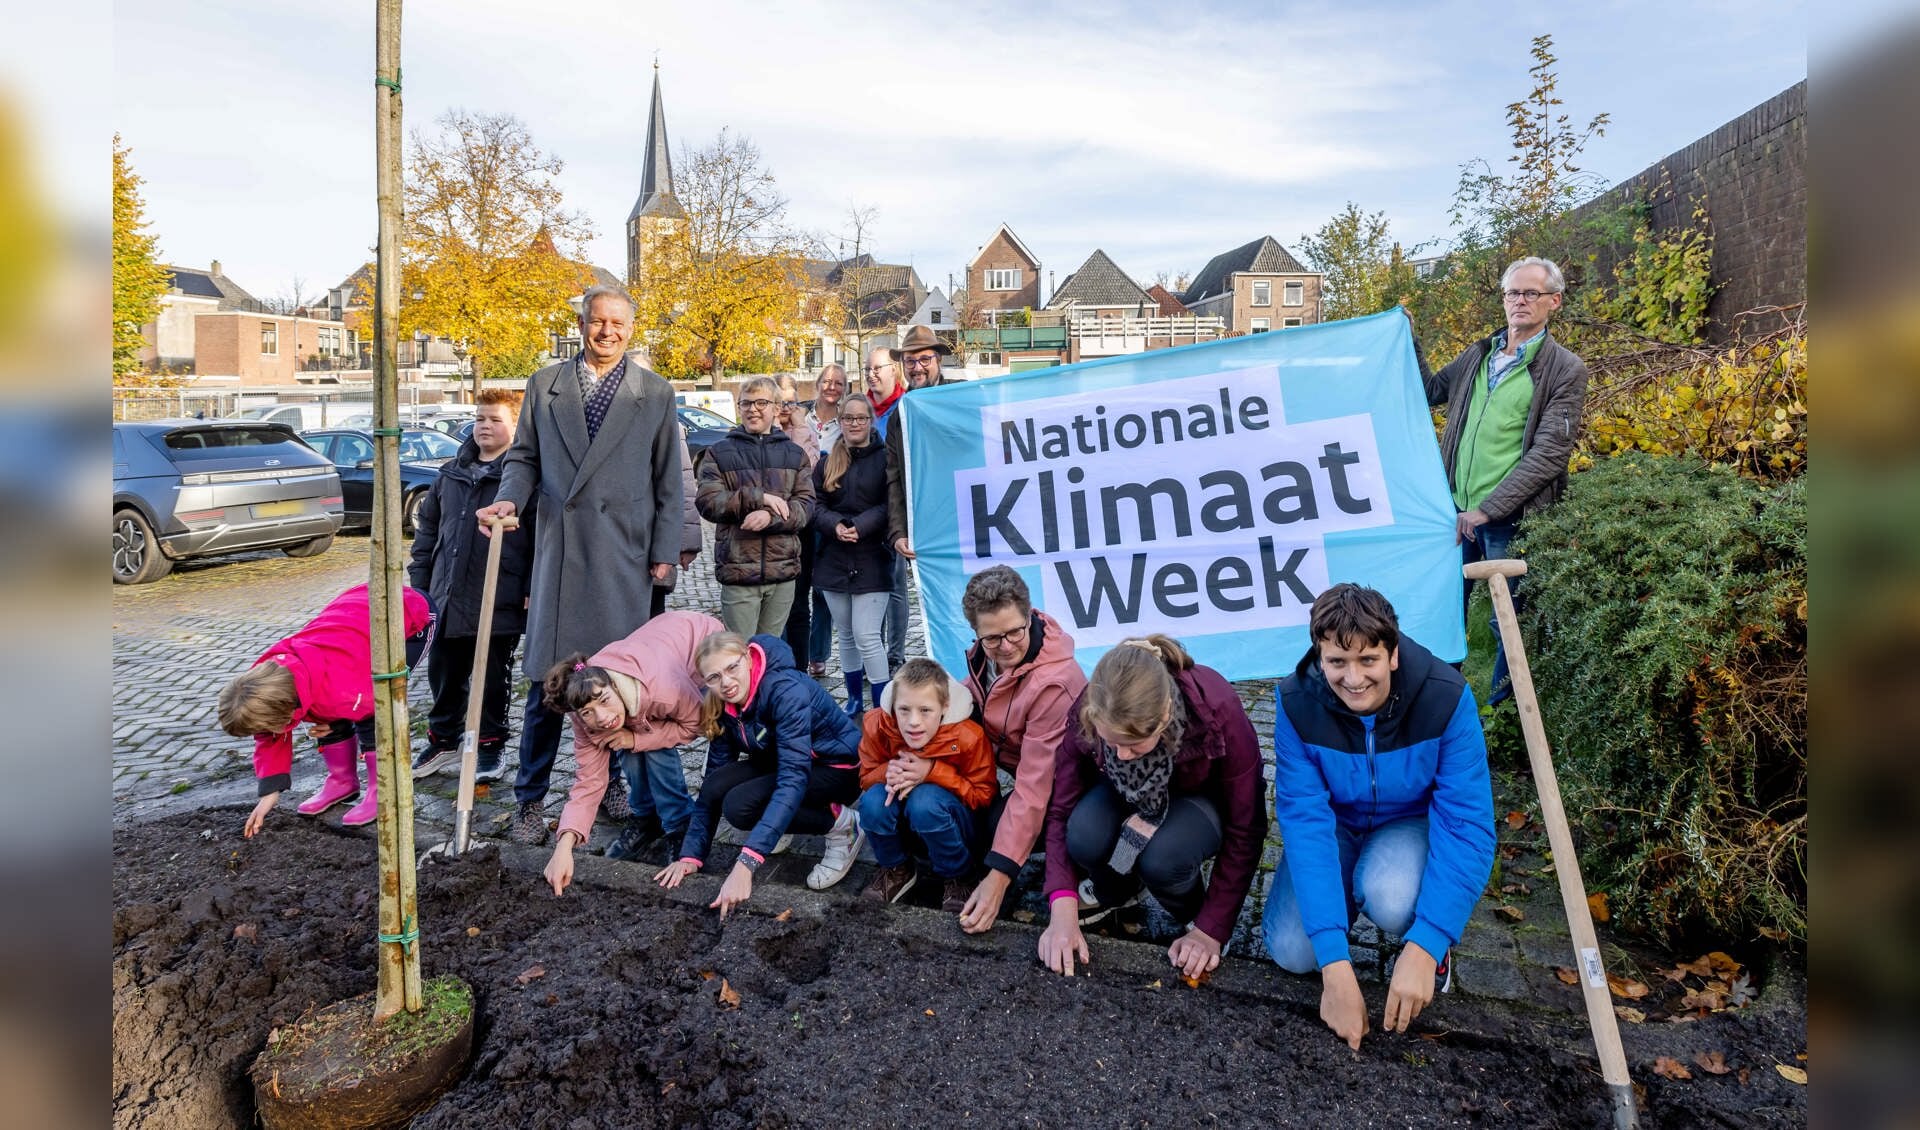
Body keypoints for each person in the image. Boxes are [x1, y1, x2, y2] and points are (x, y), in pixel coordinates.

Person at [475, 284, 684, 846]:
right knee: (550, 685)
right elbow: (523, 458)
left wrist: (665, 550)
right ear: (582, 322)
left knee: (614, 683)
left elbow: (670, 480)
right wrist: (510, 501)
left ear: (632, 328)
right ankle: (530, 800)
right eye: (598, 322)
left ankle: (614, 781)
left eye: (618, 323)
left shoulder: (656, 394)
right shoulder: (546, 386)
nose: (607, 332)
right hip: (563, 555)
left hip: (622, 554)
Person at [1261, 583, 1496, 1051]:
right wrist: (1335, 966)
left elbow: (1467, 825)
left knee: (1390, 895)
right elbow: (1306, 826)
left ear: (1392, 654)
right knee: (1291, 950)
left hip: (1407, 824)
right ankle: (1339, 912)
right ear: (1319, 655)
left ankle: (1434, 948)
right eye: (1337, 662)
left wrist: (1427, 944)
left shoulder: (1446, 698)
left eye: (1367, 660)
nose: (1352, 678)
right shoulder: (1294, 704)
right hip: (1337, 826)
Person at [1037, 635, 1266, 981]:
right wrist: (1062, 900)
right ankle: (1118, 891)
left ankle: (1195, 912)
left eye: (1133, 745)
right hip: (1123, 795)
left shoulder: (1217, 706)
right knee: (1083, 832)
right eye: (1109, 743)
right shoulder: (1091, 707)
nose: (1121, 755)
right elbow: (1060, 809)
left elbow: (1246, 826)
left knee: (1163, 858)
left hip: (1198, 800)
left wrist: (1211, 929)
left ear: (1164, 715)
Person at [1418, 256, 1589, 703]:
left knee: (1507, 619)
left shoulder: (1564, 369)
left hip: (1508, 518)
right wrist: (1407, 338)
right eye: (1513, 293)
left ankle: (1502, 717)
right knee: (1442, 610)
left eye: (1531, 293)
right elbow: (1429, 391)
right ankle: (1438, 704)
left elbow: (1551, 452)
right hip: (1455, 511)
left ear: (1554, 301)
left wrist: (1489, 509)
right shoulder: (1479, 354)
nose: (1519, 302)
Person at [655, 632, 866, 912]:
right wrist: (690, 856)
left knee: (742, 807)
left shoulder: (784, 691)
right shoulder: (721, 703)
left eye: (732, 668)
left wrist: (747, 864)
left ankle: (844, 826)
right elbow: (714, 781)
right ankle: (784, 824)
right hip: (785, 759)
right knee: (724, 791)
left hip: (837, 769)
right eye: (714, 677)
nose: (726, 683)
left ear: (747, 658)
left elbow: (793, 779)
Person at [218, 584, 434, 838]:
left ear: (283, 711)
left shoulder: (339, 686)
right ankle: (343, 781)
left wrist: (337, 719)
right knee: (327, 710)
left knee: (374, 708)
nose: (266, 732)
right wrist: (269, 793)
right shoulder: (267, 682)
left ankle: (384, 790)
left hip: (407, 614)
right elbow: (270, 735)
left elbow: (374, 710)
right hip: (355, 620)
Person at [539, 610, 724, 896]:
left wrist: (636, 739)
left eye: (604, 701)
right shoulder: (584, 707)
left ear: (614, 686)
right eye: (589, 712)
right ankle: (646, 817)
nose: (600, 717)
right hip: (651, 654)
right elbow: (589, 782)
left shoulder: (665, 688)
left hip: (696, 641)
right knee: (618, 737)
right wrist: (563, 848)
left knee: (650, 743)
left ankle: (679, 825)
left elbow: (697, 725)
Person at [955, 565, 1088, 934]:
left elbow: (1035, 787)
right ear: (976, 633)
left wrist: (997, 880)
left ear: (1030, 615)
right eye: (993, 638)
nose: (1007, 646)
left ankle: (1109, 877)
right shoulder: (986, 655)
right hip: (1026, 776)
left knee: (1000, 825)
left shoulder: (1054, 683)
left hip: (1074, 792)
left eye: (1016, 631)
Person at [407, 388, 531, 783]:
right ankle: (444, 740)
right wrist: (421, 585)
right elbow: (428, 532)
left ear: (515, 426)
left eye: (495, 419)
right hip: (447, 593)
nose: (484, 427)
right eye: (479, 419)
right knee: (444, 671)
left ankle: (490, 746)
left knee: (494, 675)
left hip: (498, 592)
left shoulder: (521, 480)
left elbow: (537, 539)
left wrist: (528, 586)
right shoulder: (450, 474)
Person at [856, 658, 995, 913]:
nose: (913, 722)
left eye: (925, 710)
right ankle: (897, 868)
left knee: (925, 801)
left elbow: (984, 796)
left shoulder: (968, 735)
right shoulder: (877, 724)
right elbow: (865, 778)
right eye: (904, 710)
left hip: (956, 827)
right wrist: (889, 771)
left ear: (944, 707)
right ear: (893, 706)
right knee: (872, 802)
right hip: (907, 823)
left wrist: (932, 772)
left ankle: (959, 875)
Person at [694, 375, 816, 638]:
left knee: (769, 654)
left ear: (776, 407)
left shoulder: (794, 454)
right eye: (746, 403)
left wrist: (768, 517)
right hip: (739, 571)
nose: (753, 409)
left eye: (761, 402)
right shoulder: (719, 452)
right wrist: (756, 498)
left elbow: (805, 507)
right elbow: (707, 501)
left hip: (781, 571)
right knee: (740, 655)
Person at [809, 394, 892, 717]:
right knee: (844, 633)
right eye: (848, 418)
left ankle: (883, 704)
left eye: (861, 418)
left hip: (873, 555)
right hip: (834, 556)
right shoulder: (828, 460)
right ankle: (855, 699)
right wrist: (835, 526)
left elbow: (890, 504)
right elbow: (815, 504)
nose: (855, 424)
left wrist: (860, 525)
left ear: (870, 421)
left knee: (867, 635)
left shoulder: (886, 459)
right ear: (840, 421)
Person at [863, 346, 909, 671]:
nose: (872, 374)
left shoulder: (907, 406)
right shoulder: (860, 408)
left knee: (894, 587)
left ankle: (895, 654)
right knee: (870, 588)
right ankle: (873, 653)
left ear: (894, 370)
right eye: (868, 369)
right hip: (866, 511)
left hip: (895, 509)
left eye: (878, 368)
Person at [804, 364, 851, 675]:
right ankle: (795, 649)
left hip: (828, 508)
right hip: (797, 509)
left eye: (839, 383)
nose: (832, 387)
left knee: (822, 588)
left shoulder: (846, 424)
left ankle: (818, 653)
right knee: (796, 587)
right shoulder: (800, 417)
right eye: (827, 382)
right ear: (817, 384)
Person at [776, 373, 822, 674]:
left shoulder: (805, 432)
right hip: (771, 531)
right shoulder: (760, 432)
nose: (784, 408)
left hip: (801, 530)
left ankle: (800, 669)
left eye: (790, 402)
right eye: (779, 401)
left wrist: (800, 428)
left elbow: (808, 470)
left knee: (798, 605)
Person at [651, 430, 704, 621]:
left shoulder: (667, 419)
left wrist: (687, 544)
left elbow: (684, 485)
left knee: (650, 619)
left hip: (653, 543)